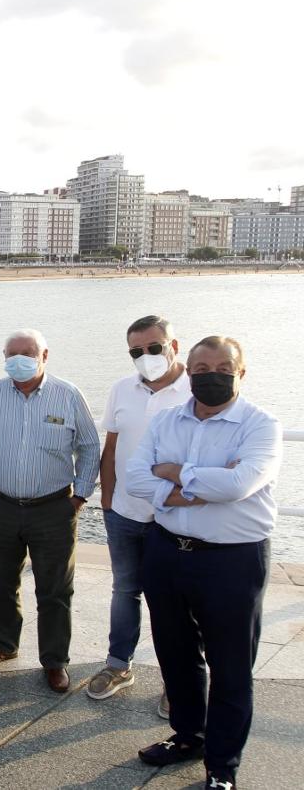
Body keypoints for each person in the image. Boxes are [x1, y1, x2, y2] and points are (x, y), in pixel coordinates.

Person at [127, 336, 281, 790]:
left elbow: (239, 486)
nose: (210, 374)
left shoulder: (260, 424)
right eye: (200, 367)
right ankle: (188, 736)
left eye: (223, 367)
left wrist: (173, 472)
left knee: (231, 665)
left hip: (232, 560)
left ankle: (222, 765)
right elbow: (136, 477)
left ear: (241, 372)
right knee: (175, 653)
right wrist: (198, 484)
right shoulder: (166, 419)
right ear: (187, 369)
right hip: (167, 550)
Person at [0, 328, 100, 693]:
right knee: (0, 583)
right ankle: (3, 644)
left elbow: (89, 447)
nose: (19, 359)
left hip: (53, 508)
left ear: (45, 356)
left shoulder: (68, 395)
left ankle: (55, 660)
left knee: (55, 590)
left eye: (28, 353)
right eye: (12, 353)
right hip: (0, 506)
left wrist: (80, 496)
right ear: (4, 356)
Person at [87, 315, 190, 710]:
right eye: (136, 351)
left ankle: (179, 678)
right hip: (124, 513)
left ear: (173, 346)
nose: (145, 357)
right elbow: (112, 445)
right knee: (125, 590)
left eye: (153, 348)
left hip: (175, 516)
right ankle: (118, 664)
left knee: (178, 599)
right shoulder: (121, 390)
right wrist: (108, 500)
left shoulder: (196, 390)